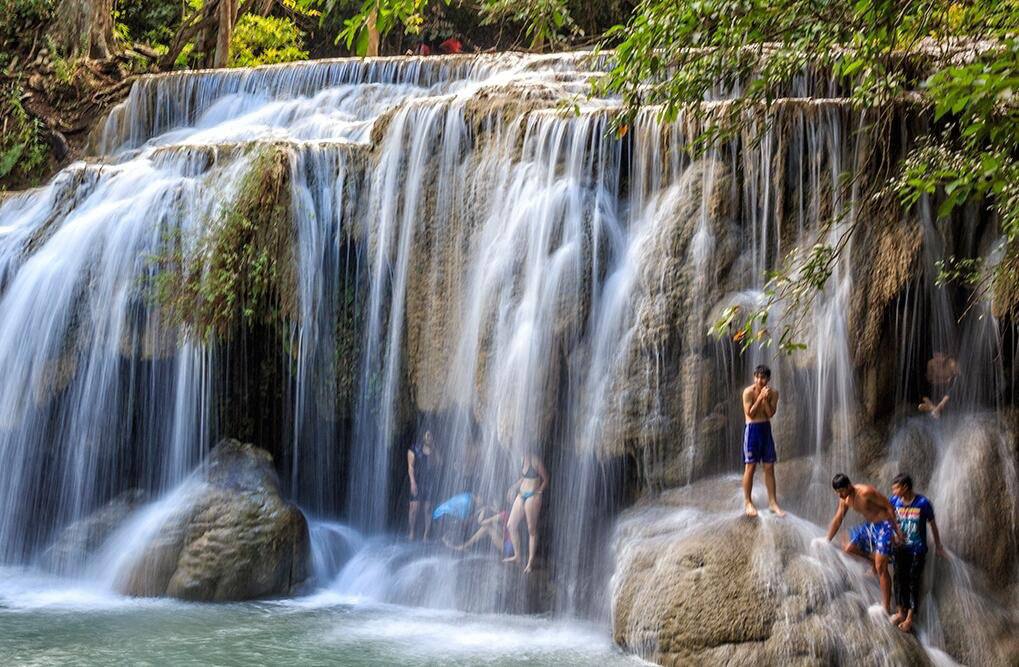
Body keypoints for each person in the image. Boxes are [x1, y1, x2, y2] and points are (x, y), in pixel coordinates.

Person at [826, 473, 905, 615]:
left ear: (849, 486)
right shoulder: (844, 500)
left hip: (885, 525)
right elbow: (838, 519)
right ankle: (872, 558)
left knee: (882, 566)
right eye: (837, 493)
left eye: (841, 491)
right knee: (848, 548)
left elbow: (888, 507)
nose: (840, 495)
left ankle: (885, 607)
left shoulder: (866, 492)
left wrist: (897, 531)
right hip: (871, 526)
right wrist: (827, 540)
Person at [889, 473, 945, 633]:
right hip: (899, 548)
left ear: (905, 487)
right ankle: (901, 612)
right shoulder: (894, 501)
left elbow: (932, 524)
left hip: (917, 549)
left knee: (913, 581)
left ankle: (910, 618)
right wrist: (892, 535)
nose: (893, 492)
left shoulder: (923, 503)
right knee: (898, 578)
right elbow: (889, 518)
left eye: (896, 488)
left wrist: (938, 545)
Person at [741, 364, 784, 517]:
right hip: (752, 430)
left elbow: (770, 414)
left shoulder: (774, 393)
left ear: (768, 379)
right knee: (750, 467)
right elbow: (750, 413)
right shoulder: (748, 392)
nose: (760, 380)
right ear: (754, 377)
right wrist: (759, 398)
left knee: (769, 467)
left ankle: (773, 502)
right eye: (758, 377)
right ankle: (747, 502)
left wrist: (765, 400)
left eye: (763, 378)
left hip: (765, 430)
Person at [503, 452, 548, 573]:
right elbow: (523, 478)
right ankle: (517, 556)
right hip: (521, 494)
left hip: (533, 496)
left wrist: (538, 492)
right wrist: (513, 487)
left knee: (531, 530)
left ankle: (530, 563)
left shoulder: (535, 460)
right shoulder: (521, 458)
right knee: (511, 525)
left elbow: (545, 479)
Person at [407, 430, 438, 541]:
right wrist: (412, 481)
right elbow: (410, 466)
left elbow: (437, 463)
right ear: (423, 435)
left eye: (431, 435)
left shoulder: (433, 449)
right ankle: (411, 531)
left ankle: (426, 534)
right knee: (414, 508)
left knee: (428, 508)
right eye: (427, 434)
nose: (429, 437)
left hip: (429, 481)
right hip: (417, 480)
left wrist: (433, 450)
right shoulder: (414, 448)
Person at [918, 351, 959, 418]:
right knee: (922, 385)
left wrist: (950, 377)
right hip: (936, 384)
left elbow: (957, 374)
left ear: (944, 356)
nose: (937, 358)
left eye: (939, 356)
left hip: (947, 388)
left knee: (956, 383)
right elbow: (929, 378)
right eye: (935, 355)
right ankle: (932, 407)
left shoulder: (951, 363)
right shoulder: (931, 363)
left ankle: (940, 405)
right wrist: (939, 381)